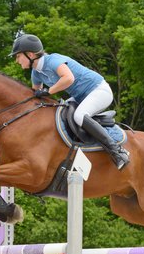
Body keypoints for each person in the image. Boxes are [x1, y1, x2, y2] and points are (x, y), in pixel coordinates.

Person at [10, 34, 130, 170]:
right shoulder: (36, 73)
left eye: (18, 56)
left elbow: (68, 78)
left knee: (79, 116)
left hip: (98, 90)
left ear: (30, 55)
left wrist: (48, 91)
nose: (16, 60)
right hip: (80, 96)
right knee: (60, 113)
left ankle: (118, 152)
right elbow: (35, 96)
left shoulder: (53, 61)